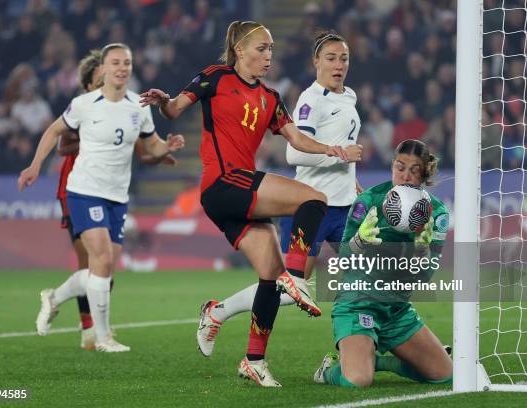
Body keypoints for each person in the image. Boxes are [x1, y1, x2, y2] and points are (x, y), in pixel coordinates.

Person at [140, 21, 361, 386]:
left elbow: (296, 139)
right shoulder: (216, 77)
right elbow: (175, 110)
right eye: (261, 48)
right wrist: (164, 102)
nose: (268, 55)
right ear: (239, 50)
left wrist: (330, 149)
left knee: (269, 279)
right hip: (223, 183)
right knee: (314, 198)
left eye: (271, 48)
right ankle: (297, 277)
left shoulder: (271, 98)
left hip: (239, 194)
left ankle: (252, 359)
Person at [194, 30, 364, 358]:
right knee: (283, 287)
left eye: (343, 58)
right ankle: (219, 312)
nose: (338, 64)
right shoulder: (311, 101)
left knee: (364, 275)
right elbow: (295, 155)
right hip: (313, 207)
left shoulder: (350, 97)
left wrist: (350, 177)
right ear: (316, 62)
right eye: (330, 58)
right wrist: (341, 153)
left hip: (344, 205)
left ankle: (381, 345)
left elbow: (338, 145)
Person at [19, 43, 185, 353]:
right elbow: (54, 132)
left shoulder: (139, 106)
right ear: (104, 70)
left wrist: (169, 146)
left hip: (116, 197)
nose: (122, 67)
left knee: (103, 271)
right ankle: (103, 337)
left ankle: (54, 298)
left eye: (126, 62)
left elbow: (152, 147)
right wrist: (34, 165)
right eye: (115, 63)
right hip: (83, 190)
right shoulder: (84, 104)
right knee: (103, 261)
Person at [314, 139, 453, 387]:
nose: (406, 176)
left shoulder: (437, 213)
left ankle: (377, 361)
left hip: (397, 311)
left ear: (424, 173)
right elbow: (344, 258)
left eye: (414, 170)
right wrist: (359, 241)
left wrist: (423, 254)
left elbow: (423, 279)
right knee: (357, 380)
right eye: (400, 167)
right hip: (358, 305)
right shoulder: (368, 200)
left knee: (447, 376)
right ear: (392, 166)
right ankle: (328, 371)